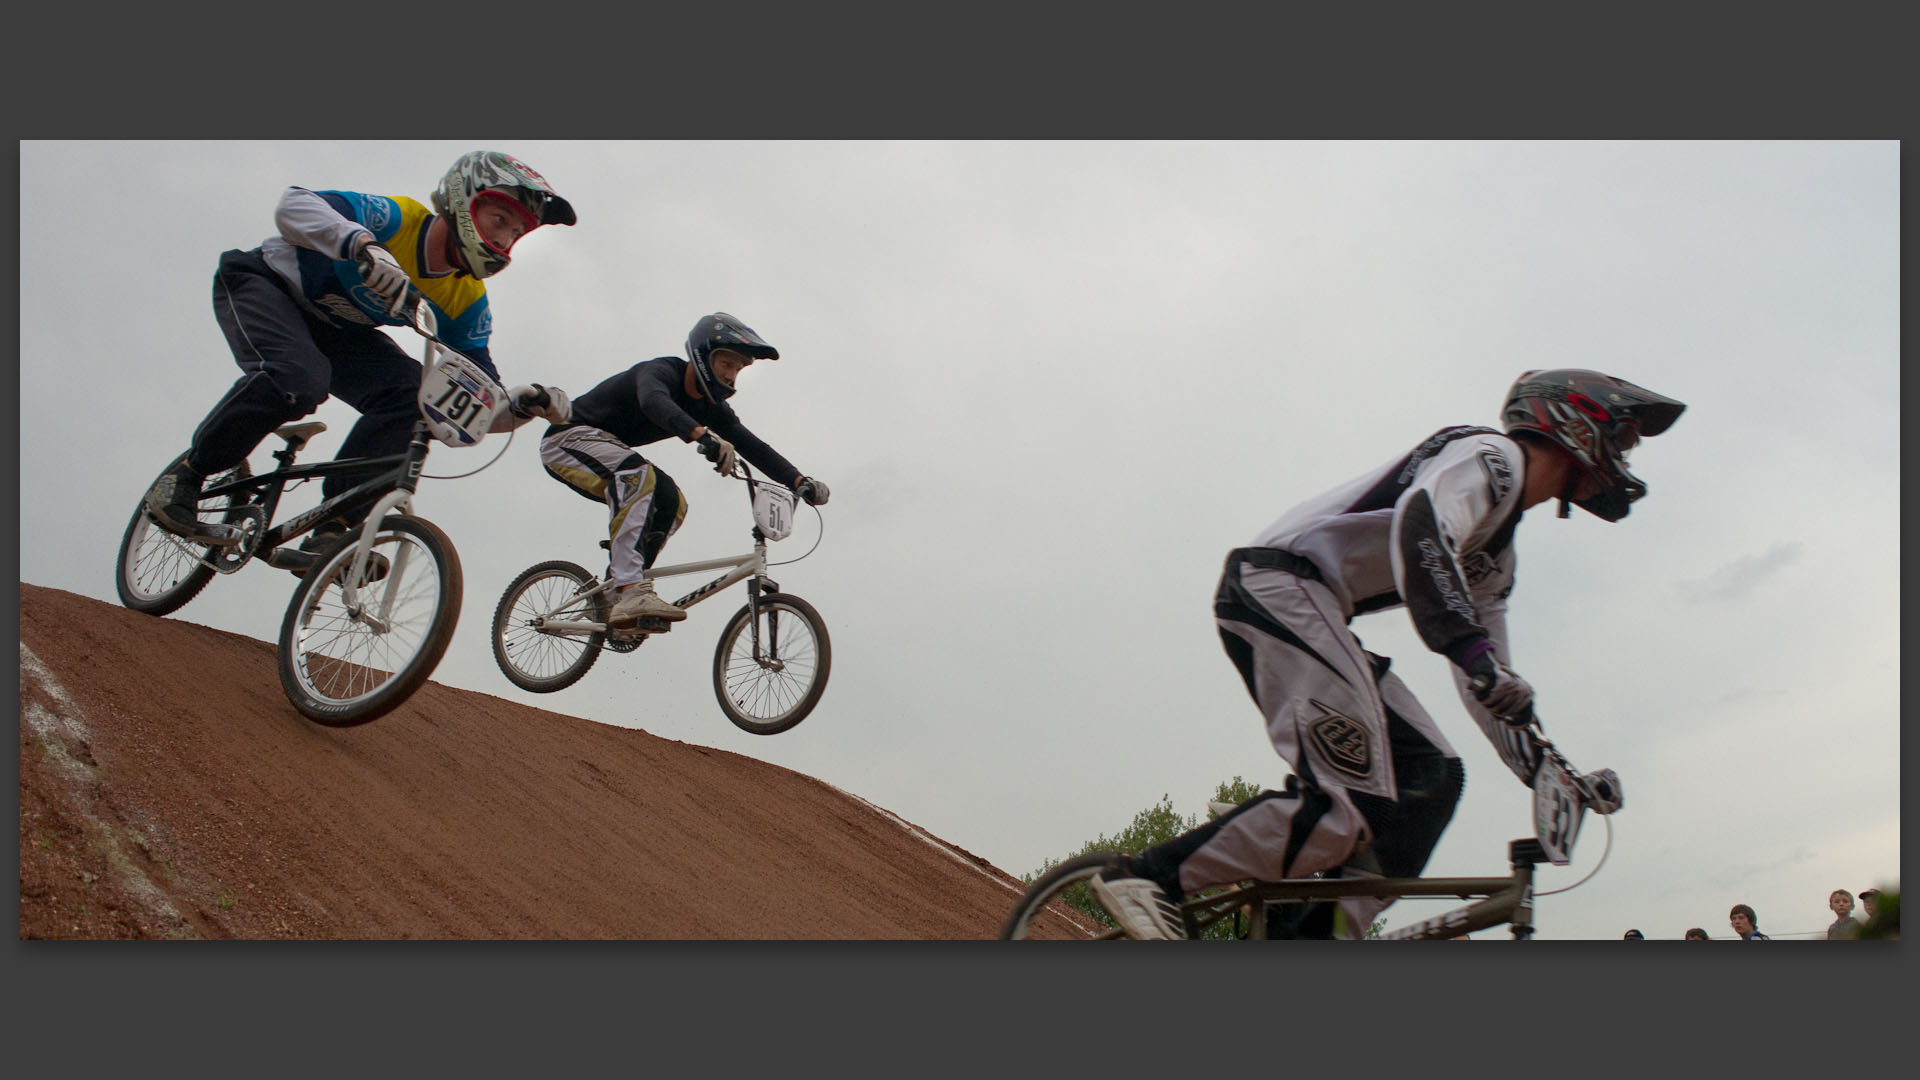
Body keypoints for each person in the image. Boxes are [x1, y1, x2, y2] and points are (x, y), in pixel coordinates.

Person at [1086, 369, 1684, 940]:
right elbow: (1421, 528)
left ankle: (1314, 935)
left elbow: (1487, 679)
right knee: (1358, 799)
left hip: (1317, 610)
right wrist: (1472, 650)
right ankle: (1148, 875)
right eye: (1624, 436)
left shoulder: (1495, 559)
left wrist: (1549, 773)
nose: (1625, 454)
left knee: (1435, 780)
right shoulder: (1491, 458)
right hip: (1277, 587)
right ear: (1574, 419)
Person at [145, 150, 578, 576]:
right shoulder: (397, 219)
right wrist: (361, 244)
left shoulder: (465, 301)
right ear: (464, 201)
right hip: (267, 285)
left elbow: (471, 402)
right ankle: (186, 476)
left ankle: (332, 529)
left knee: (416, 397)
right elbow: (292, 203)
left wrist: (524, 407)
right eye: (499, 220)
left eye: (516, 232)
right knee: (298, 379)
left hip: (339, 332)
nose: (504, 239)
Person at [538, 312, 829, 628]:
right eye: (727, 364)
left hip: (606, 450)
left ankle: (615, 596)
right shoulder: (661, 372)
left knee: (673, 502)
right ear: (704, 357)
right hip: (567, 438)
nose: (732, 375)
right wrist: (700, 435)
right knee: (639, 478)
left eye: (738, 369)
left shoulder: (711, 408)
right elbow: (653, 402)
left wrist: (798, 480)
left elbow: (752, 445)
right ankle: (629, 588)